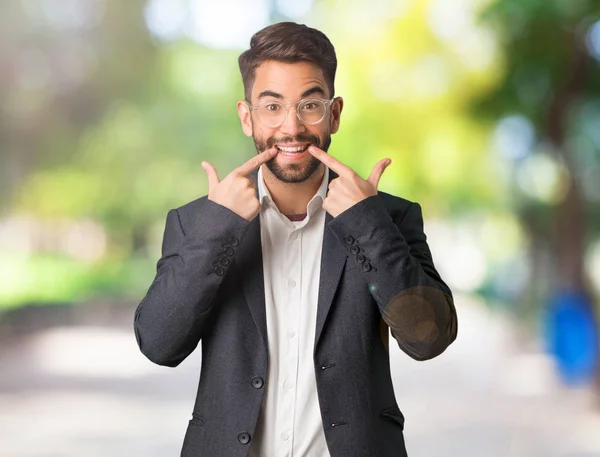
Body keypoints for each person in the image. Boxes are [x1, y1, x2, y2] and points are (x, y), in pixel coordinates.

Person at [134, 21, 458, 457]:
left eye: (310, 105)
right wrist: (219, 228)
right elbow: (159, 344)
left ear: (335, 114)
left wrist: (368, 223)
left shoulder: (391, 219)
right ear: (247, 117)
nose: (291, 127)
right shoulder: (198, 223)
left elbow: (428, 340)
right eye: (272, 107)